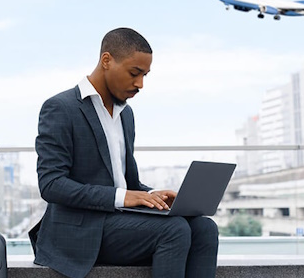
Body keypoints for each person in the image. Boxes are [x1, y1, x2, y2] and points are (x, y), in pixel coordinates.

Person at [28, 28, 219, 278]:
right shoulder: (60, 108)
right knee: (173, 230)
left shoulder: (125, 114)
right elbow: (51, 185)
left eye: (145, 75)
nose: (140, 84)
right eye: (134, 73)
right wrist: (123, 197)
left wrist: (152, 195)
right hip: (79, 230)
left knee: (205, 228)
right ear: (107, 60)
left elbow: (128, 182)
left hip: (121, 222)